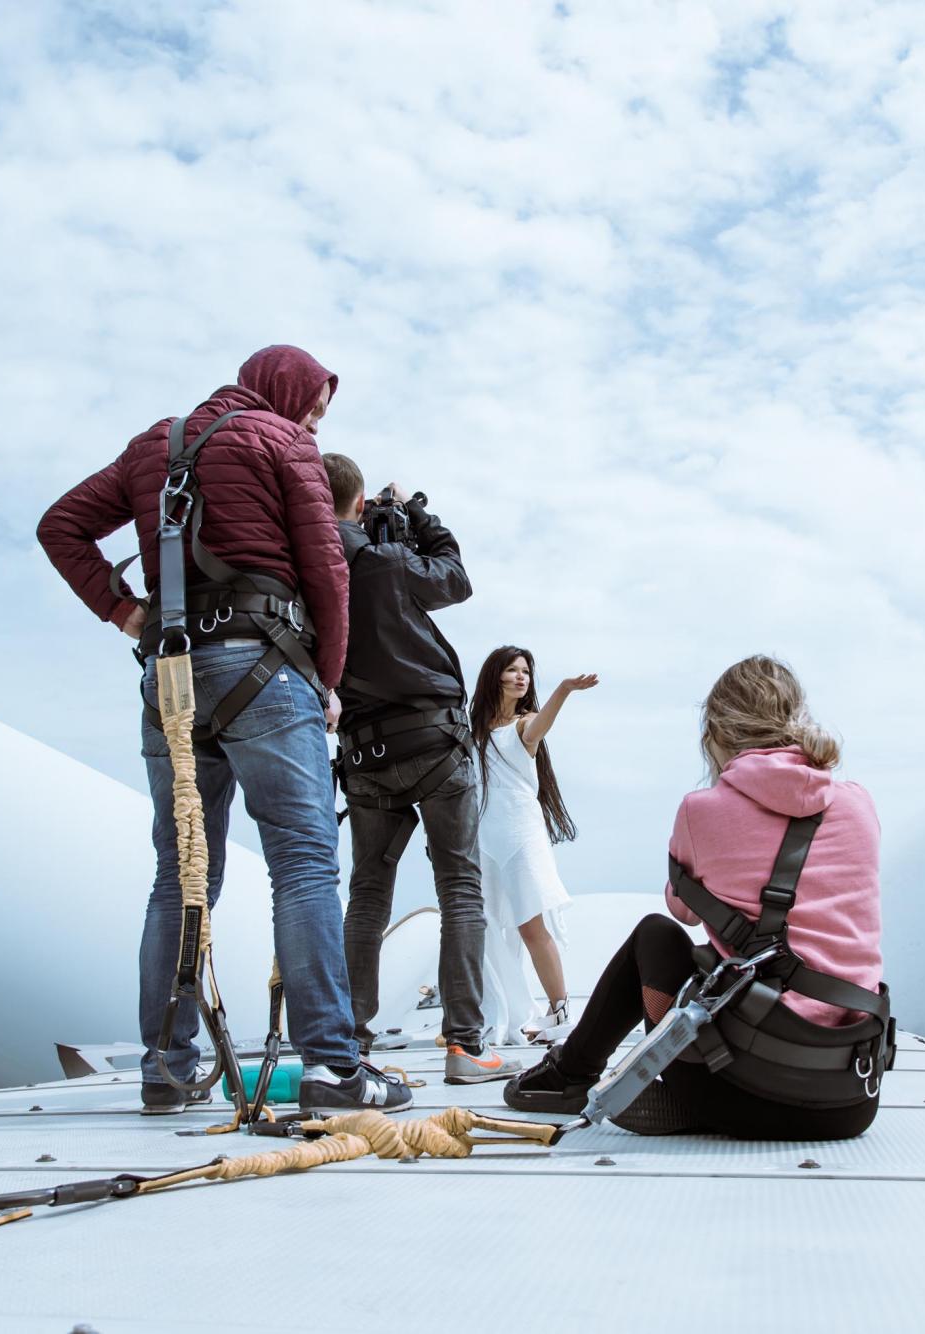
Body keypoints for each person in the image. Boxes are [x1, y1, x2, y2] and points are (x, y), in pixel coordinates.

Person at [36, 344, 409, 1118]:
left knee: (180, 875)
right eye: (314, 404)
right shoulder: (282, 443)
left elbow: (61, 525)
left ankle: (166, 1071)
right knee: (304, 865)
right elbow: (326, 570)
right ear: (285, 393)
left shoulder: (154, 446)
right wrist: (328, 678)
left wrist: (123, 610)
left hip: (168, 677)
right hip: (266, 669)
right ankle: (334, 1070)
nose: (314, 419)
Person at [503, 655, 886, 1140]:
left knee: (655, 934)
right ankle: (659, 1090)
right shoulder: (857, 801)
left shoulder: (702, 810)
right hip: (850, 1099)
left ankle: (572, 1074)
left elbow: (680, 910)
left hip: (740, 1088)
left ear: (718, 731)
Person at [323, 458, 520, 1085]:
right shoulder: (385, 561)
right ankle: (464, 1045)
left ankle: (348, 1043)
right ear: (360, 505)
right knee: (459, 888)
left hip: (364, 755)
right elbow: (455, 580)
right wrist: (417, 515)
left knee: (368, 894)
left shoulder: (307, 571)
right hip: (434, 743)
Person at [469, 646, 597, 1044]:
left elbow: (543, 724)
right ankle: (503, 1013)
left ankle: (559, 1012)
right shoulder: (473, 732)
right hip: (483, 839)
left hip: (522, 837)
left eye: (526, 671)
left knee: (530, 925)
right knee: (486, 928)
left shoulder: (525, 726)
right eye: (512, 670)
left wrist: (562, 689)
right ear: (496, 677)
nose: (521, 677)